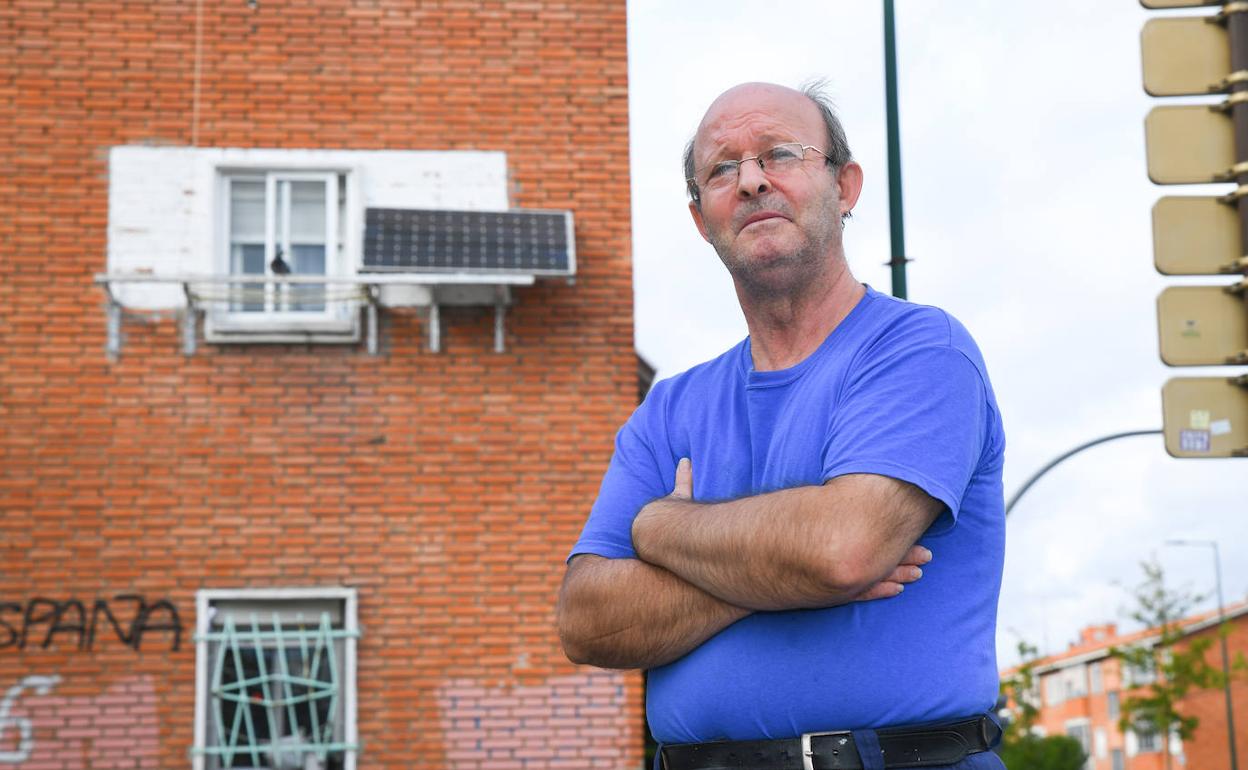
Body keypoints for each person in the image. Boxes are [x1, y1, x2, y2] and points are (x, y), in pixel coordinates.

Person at [556, 81, 1006, 770]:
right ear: (701, 218)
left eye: (780, 154)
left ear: (845, 186)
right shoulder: (670, 408)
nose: (752, 181)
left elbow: (840, 550)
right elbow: (587, 621)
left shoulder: (920, 352)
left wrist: (661, 529)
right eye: (722, 169)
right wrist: (781, 575)